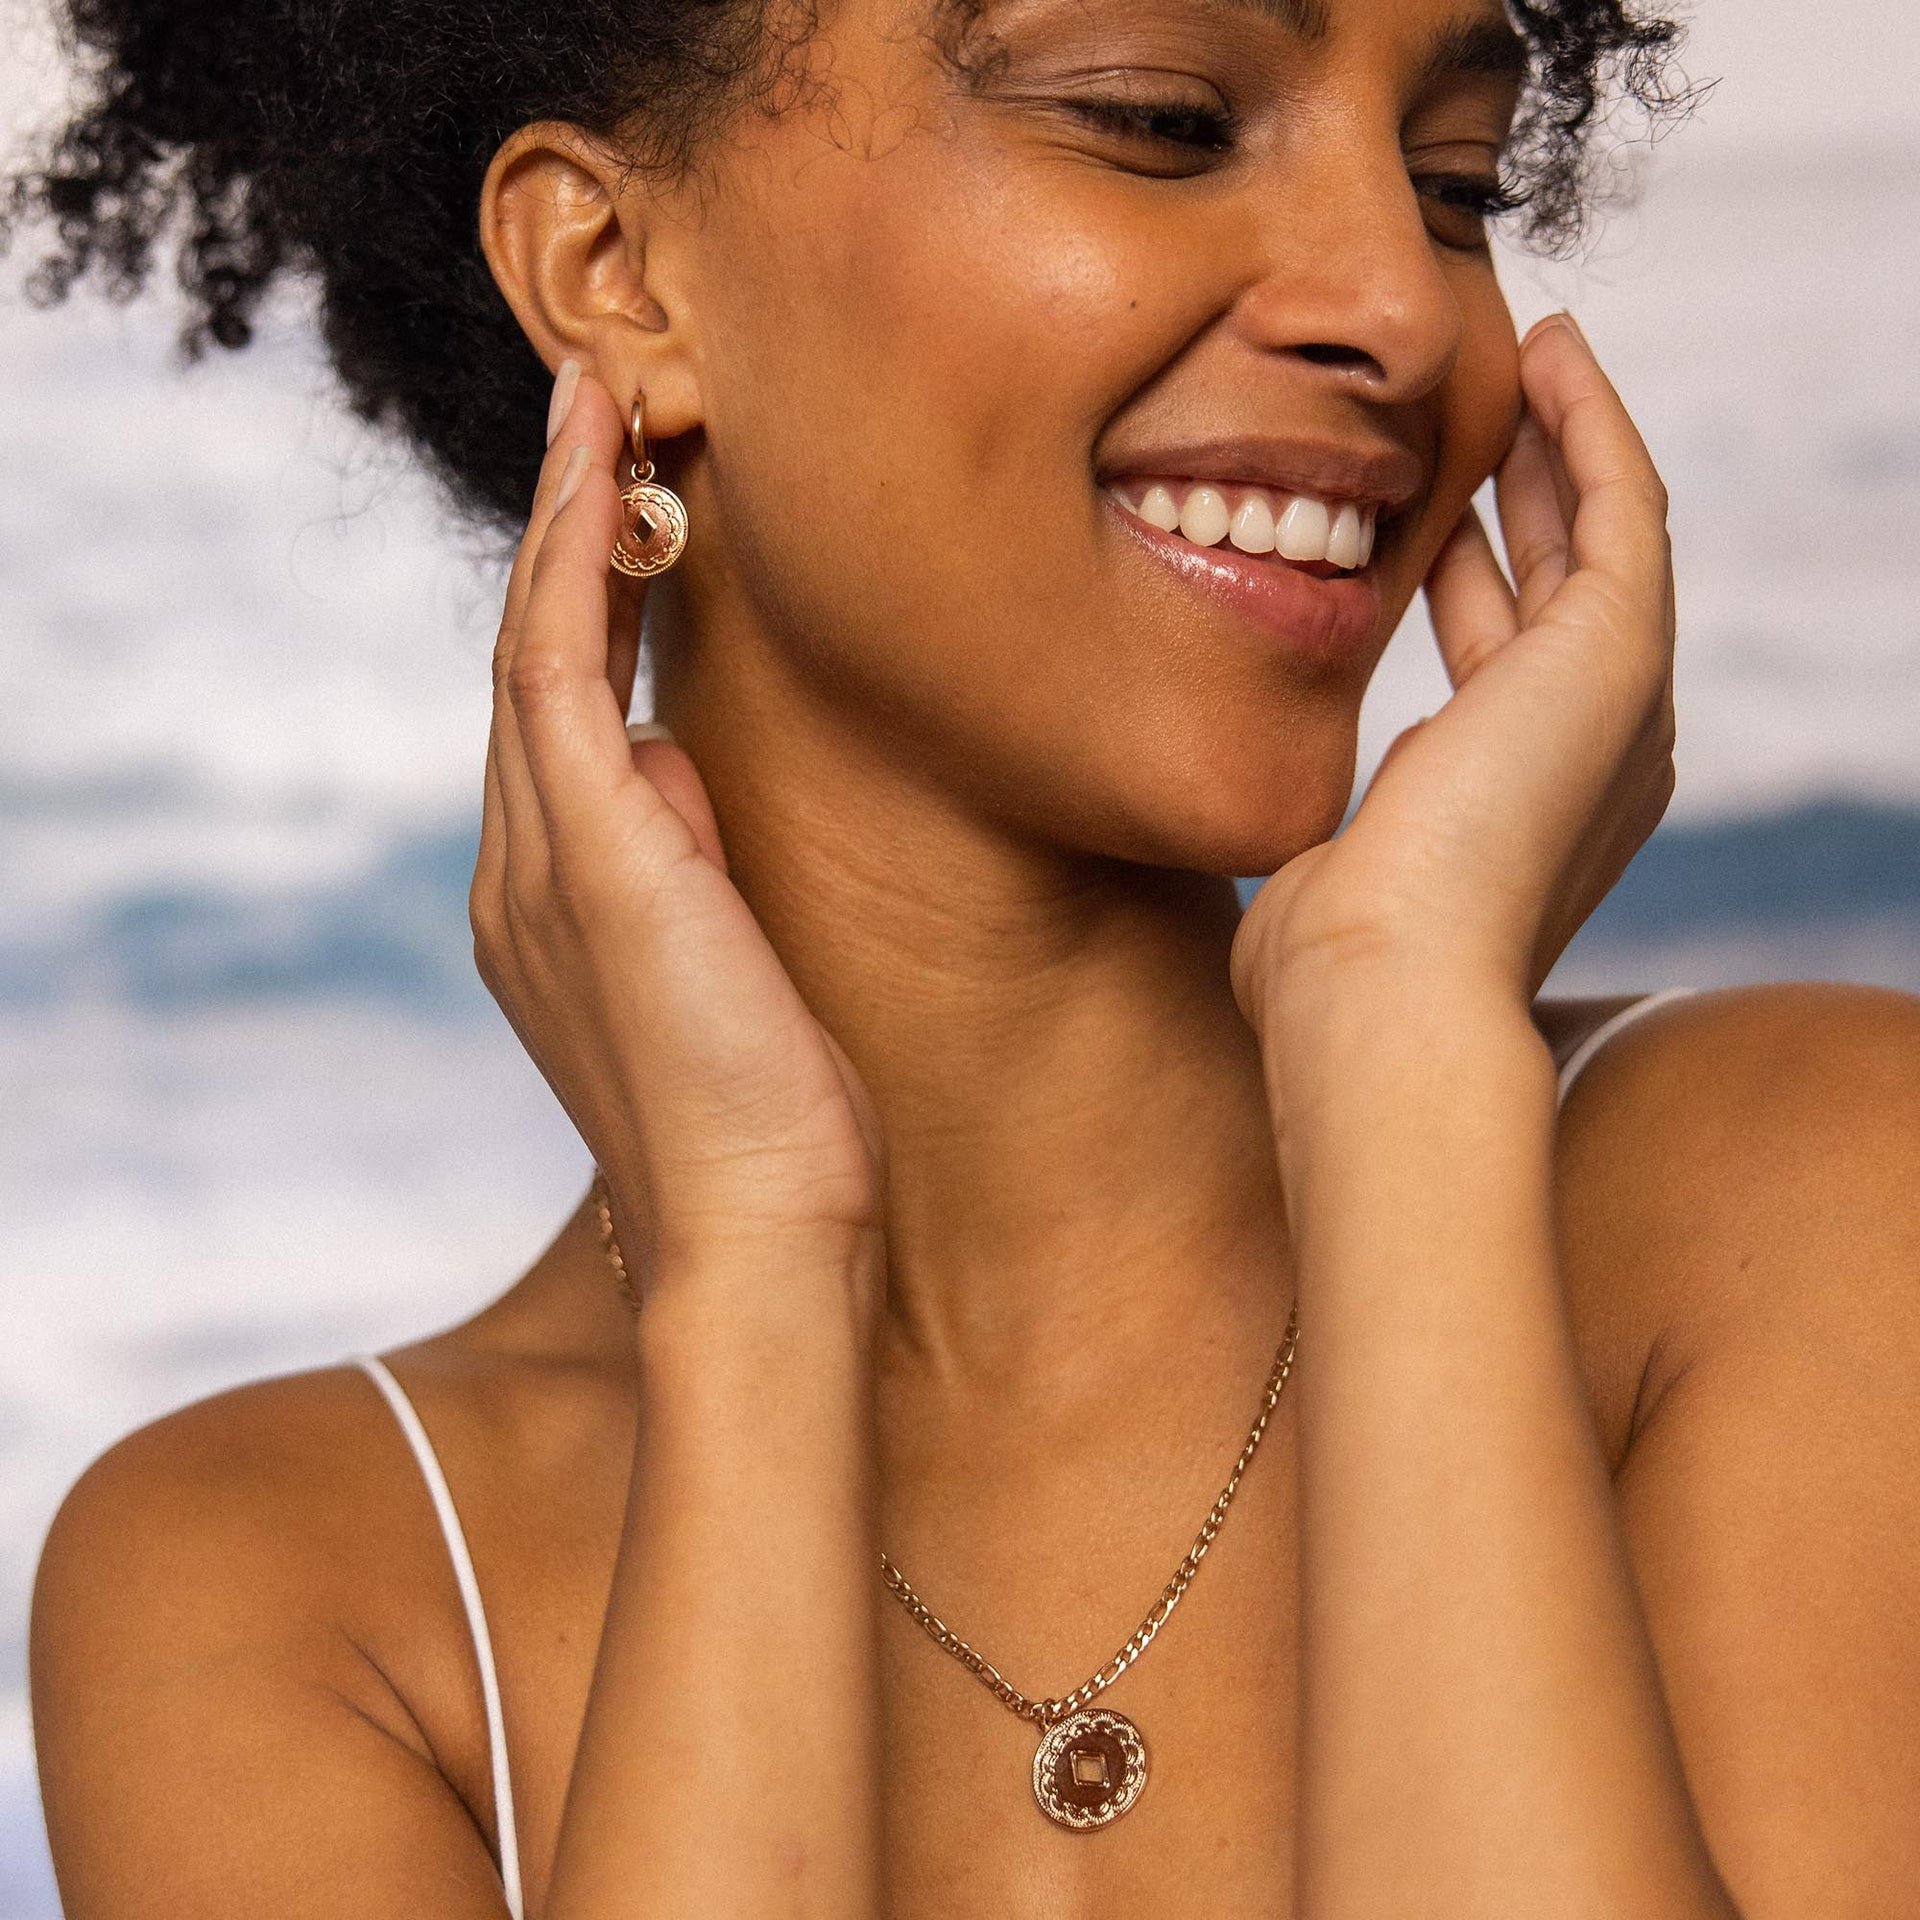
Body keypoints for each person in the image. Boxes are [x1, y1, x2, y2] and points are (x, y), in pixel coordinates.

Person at [11, 0, 1919, 1911]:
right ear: (616, 272)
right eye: (1163, 118)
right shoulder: (287, 1591)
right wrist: (757, 1270)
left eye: (1453, 185)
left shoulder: (1807, 1201)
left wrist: (1407, 1058)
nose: (1407, 314)